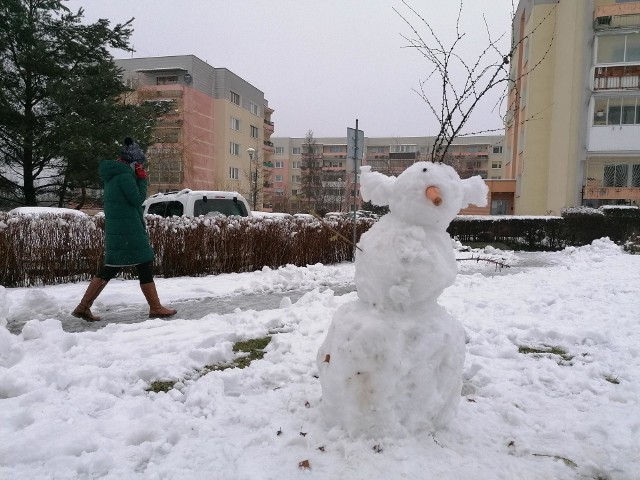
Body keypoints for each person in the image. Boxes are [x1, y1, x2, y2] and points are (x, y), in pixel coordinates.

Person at [72, 137, 177, 321]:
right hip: (128, 229)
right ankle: (155, 308)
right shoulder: (124, 176)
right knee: (135, 264)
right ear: (133, 162)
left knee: (116, 267)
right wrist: (142, 179)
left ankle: (83, 307)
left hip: (121, 228)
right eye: (139, 164)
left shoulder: (114, 176)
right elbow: (137, 199)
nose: (141, 168)